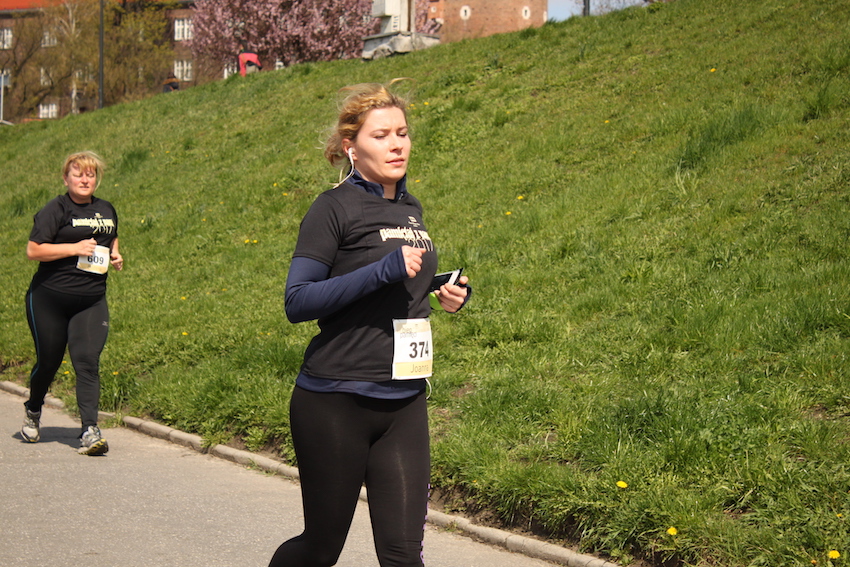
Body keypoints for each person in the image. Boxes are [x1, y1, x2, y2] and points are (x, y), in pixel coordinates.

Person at [268, 81, 471, 567]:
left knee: (403, 555)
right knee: (320, 549)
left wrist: (443, 289)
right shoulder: (332, 207)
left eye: (402, 133)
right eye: (381, 136)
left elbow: (397, 284)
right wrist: (383, 270)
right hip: (336, 401)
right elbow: (298, 300)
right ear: (351, 148)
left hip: (404, 401)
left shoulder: (410, 209)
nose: (396, 144)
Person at [21, 151, 123, 456]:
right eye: (78, 174)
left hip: (91, 301)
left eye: (90, 175)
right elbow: (34, 250)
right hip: (49, 299)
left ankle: (90, 430)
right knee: (49, 362)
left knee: (87, 361)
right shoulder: (56, 209)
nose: (85, 180)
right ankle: (33, 408)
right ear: (66, 179)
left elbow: (110, 236)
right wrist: (73, 248)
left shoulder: (105, 209)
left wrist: (115, 253)